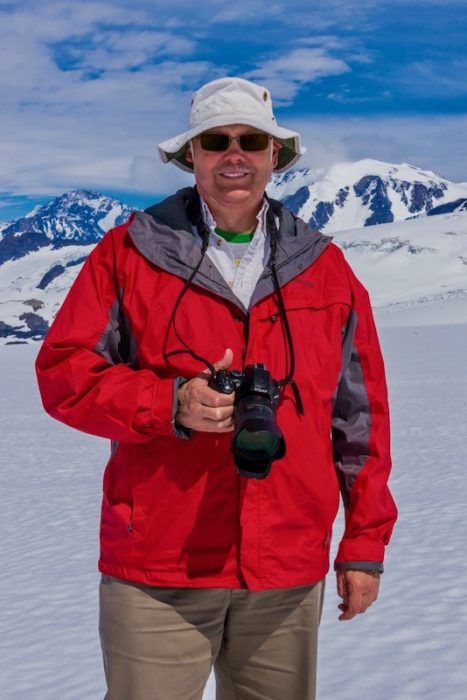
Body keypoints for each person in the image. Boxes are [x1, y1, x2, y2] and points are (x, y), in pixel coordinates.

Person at [35, 77, 397, 700]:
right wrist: (166, 403)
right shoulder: (128, 253)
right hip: (158, 566)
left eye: (251, 140)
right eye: (215, 140)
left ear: (274, 156)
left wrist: (363, 545)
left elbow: (359, 419)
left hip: (285, 565)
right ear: (191, 156)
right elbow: (64, 373)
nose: (235, 154)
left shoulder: (327, 269)